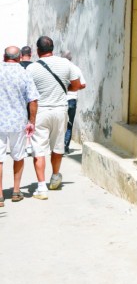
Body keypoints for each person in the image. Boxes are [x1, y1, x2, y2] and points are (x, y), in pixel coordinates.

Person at [27, 35, 84, 198]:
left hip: (41, 112)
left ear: (38, 50)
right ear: (52, 48)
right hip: (60, 110)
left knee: (39, 149)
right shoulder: (66, 64)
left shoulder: (31, 68)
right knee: (58, 146)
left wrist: (31, 120)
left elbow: (29, 95)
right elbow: (77, 85)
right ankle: (55, 177)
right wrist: (64, 88)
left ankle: (41, 187)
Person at [0, 45, 38, 204]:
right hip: (18, 122)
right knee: (19, 156)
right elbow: (33, 100)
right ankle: (16, 191)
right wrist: (32, 122)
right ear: (20, 58)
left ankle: (0, 195)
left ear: (4, 57)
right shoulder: (25, 73)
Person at [61, 49, 86, 154]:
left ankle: (57, 147)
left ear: (61, 58)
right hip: (72, 100)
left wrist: (66, 88)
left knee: (59, 125)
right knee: (69, 124)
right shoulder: (76, 68)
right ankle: (65, 147)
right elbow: (83, 84)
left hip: (60, 100)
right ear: (71, 58)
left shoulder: (58, 68)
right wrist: (74, 87)